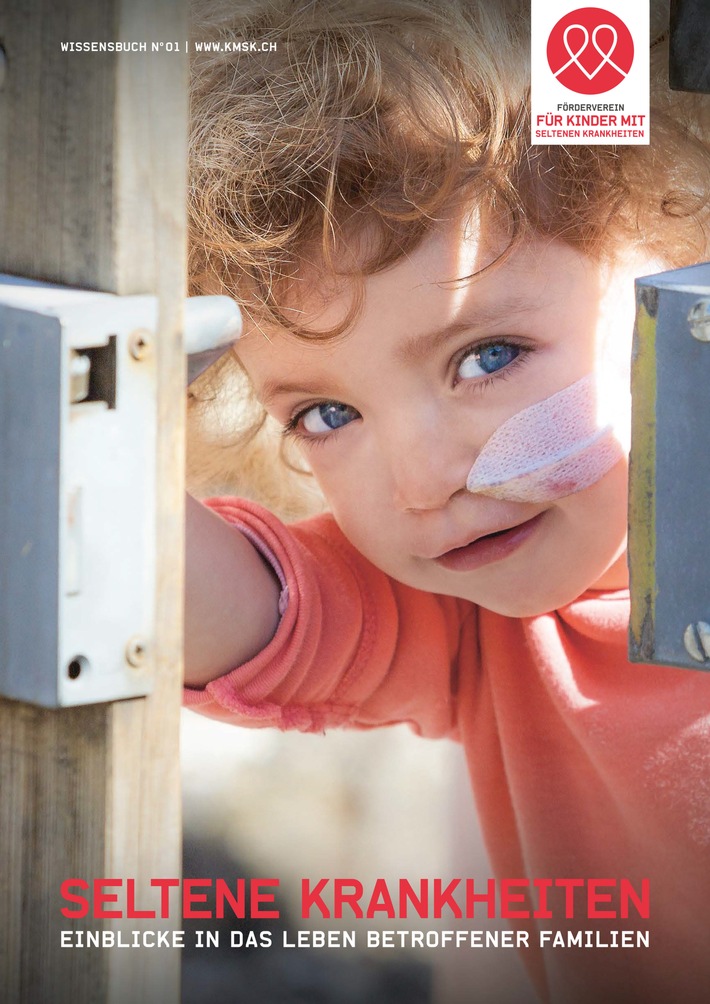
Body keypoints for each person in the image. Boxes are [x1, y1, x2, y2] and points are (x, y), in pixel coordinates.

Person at [184, 2, 710, 1001]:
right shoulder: (469, 618)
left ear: (683, 278)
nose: (421, 483)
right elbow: (223, 603)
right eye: (328, 413)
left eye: (488, 355)